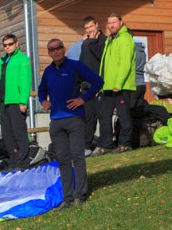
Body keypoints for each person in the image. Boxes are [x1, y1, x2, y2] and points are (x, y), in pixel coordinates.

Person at [38, 38, 104, 207]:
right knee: (63, 159)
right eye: (52, 49)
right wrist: (43, 101)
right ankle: (67, 198)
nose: (56, 51)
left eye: (58, 48)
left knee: (77, 156)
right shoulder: (48, 71)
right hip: (56, 122)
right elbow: (41, 90)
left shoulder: (75, 66)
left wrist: (83, 99)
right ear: (49, 53)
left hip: (74, 119)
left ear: (64, 49)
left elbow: (98, 82)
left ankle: (80, 195)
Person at [96, 13, 136, 154]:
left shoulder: (125, 38)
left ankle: (125, 144)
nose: (111, 25)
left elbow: (125, 64)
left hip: (121, 86)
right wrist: (101, 84)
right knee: (104, 116)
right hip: (107, 86)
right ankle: (106, 144)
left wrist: (118, 84)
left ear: (121, 22)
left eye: (114, 22)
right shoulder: (110, 40)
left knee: (123, 116)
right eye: (109, 23)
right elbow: (104, 64)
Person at [0, 33, 33, 170]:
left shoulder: (22, 59)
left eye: (10, 44)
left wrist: (23, 101)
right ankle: (14, 161)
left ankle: (24, 162)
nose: (7, 47)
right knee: (7, 135)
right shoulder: (3, 61)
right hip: (3, 102)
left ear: (17, 44)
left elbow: (25, 81)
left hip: (16, 101)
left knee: (19, 133)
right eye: (5, 45)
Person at [78, 16, 106, 152]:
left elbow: (101, 57)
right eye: (87, 28)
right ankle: (86, 144)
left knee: (100, 115)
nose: (89, 30)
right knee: (88, 116)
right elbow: (81, 62)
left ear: (96, 25)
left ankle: (104, 143)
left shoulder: (103, 40)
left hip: (99, 83)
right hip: (86, 85)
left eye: (91, 27)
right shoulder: (85, 42)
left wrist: (93, 41)